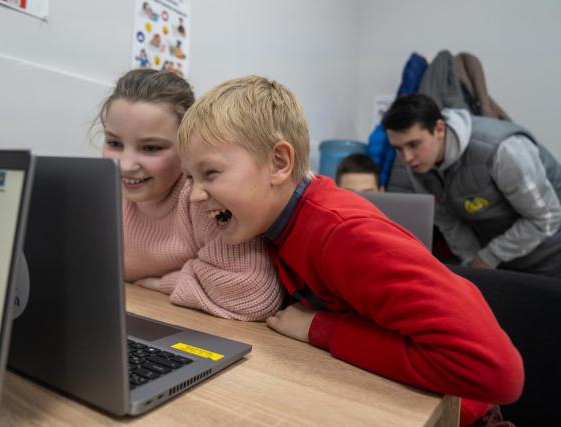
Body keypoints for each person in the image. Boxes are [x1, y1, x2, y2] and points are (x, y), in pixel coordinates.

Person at [177, 75, 524, 426]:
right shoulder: (266, 220)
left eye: (211, 173)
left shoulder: (345, 234)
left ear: (280, 163)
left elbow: (499, 374)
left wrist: (321, 329)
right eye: (190, 177)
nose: (193, 196)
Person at [95, 69, 283, 320]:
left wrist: (163, 283)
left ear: (187, 148)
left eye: (151, 148)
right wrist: (192, 274)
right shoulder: (104, 191)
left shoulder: (202, 198)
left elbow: (254, 293)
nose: (126, 165)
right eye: (114, 143)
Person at [382, 93, 561, 278]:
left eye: (414, 144)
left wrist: (487, 258)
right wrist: (472, 264)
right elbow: (448, 222)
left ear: (439, 129)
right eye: (398, 148)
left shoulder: (504, 150)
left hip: (549, 255)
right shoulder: (420, 162)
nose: (407, 158)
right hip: (501, 262)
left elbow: (546, 218)